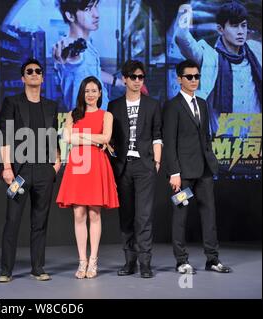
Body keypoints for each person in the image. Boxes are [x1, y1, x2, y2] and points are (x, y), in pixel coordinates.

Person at [163, 59, 232, 275]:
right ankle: (181, 261)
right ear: (179, 79)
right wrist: (174, 173)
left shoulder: (202, 103)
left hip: (204, 172)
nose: (194, 80)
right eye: (189, 77)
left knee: (209, 215)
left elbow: (205, 137)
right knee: (180, 215)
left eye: (197, 76)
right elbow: (169, 142)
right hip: (183, 175)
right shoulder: (172, 106)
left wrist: (210, 161)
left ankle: (212, 259)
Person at [0, 58, 60, 283]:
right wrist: (6, 167)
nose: (34, 74)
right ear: (23, 78)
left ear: (43, 77)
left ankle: (38, 268)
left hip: (44, 170)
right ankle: (6, 270)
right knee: (12, 221)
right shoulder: (12, 102)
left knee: (40, 222)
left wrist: (56, 165)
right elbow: (4, 134)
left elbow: (53, 138)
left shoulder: (51, 106)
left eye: (38, 71)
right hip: (19, 170)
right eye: (29, 71)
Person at [56, 76, 119, 279]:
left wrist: (82, 136)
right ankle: (82, 261)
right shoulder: (72, 115)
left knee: (94, 214)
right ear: (82, 94)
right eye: (87, 91)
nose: (90, 94)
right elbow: (67, 138)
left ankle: (93, 262)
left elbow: (106, 138)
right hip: (78, 164)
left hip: (97, 165)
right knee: (79, 214)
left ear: (100, 93)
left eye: (94, 90)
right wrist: (93, 138)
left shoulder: (106, 115)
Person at [108, 60, 162, 279]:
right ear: (124, 79)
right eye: (133, 77)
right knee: (127, 216)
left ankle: (145, 263)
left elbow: (157, 135)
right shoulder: (114, 106)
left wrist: (156, 162)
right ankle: (129, 262)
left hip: (145, 166)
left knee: (144, 216)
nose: (137, 81)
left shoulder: (152, 104)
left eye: (141, 77)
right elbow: (109, 138)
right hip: (122, 167)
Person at [175, 1, 261, 133]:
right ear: (220, 29)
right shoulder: (210, 56)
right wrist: (185, 7)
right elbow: (182, 37)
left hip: (254, 138)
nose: (240, 32)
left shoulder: (256, 51)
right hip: (224, 140)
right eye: (234, 26)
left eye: (243, 26)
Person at [53, 0, 120, 112]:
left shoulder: (88, 46)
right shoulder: (69, 47)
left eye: (95, 6)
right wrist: (67, 57)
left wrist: (117, 82)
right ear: (70, 16)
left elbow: (93, 72)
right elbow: (71, 61)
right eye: (87, 9)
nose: (97, 14)